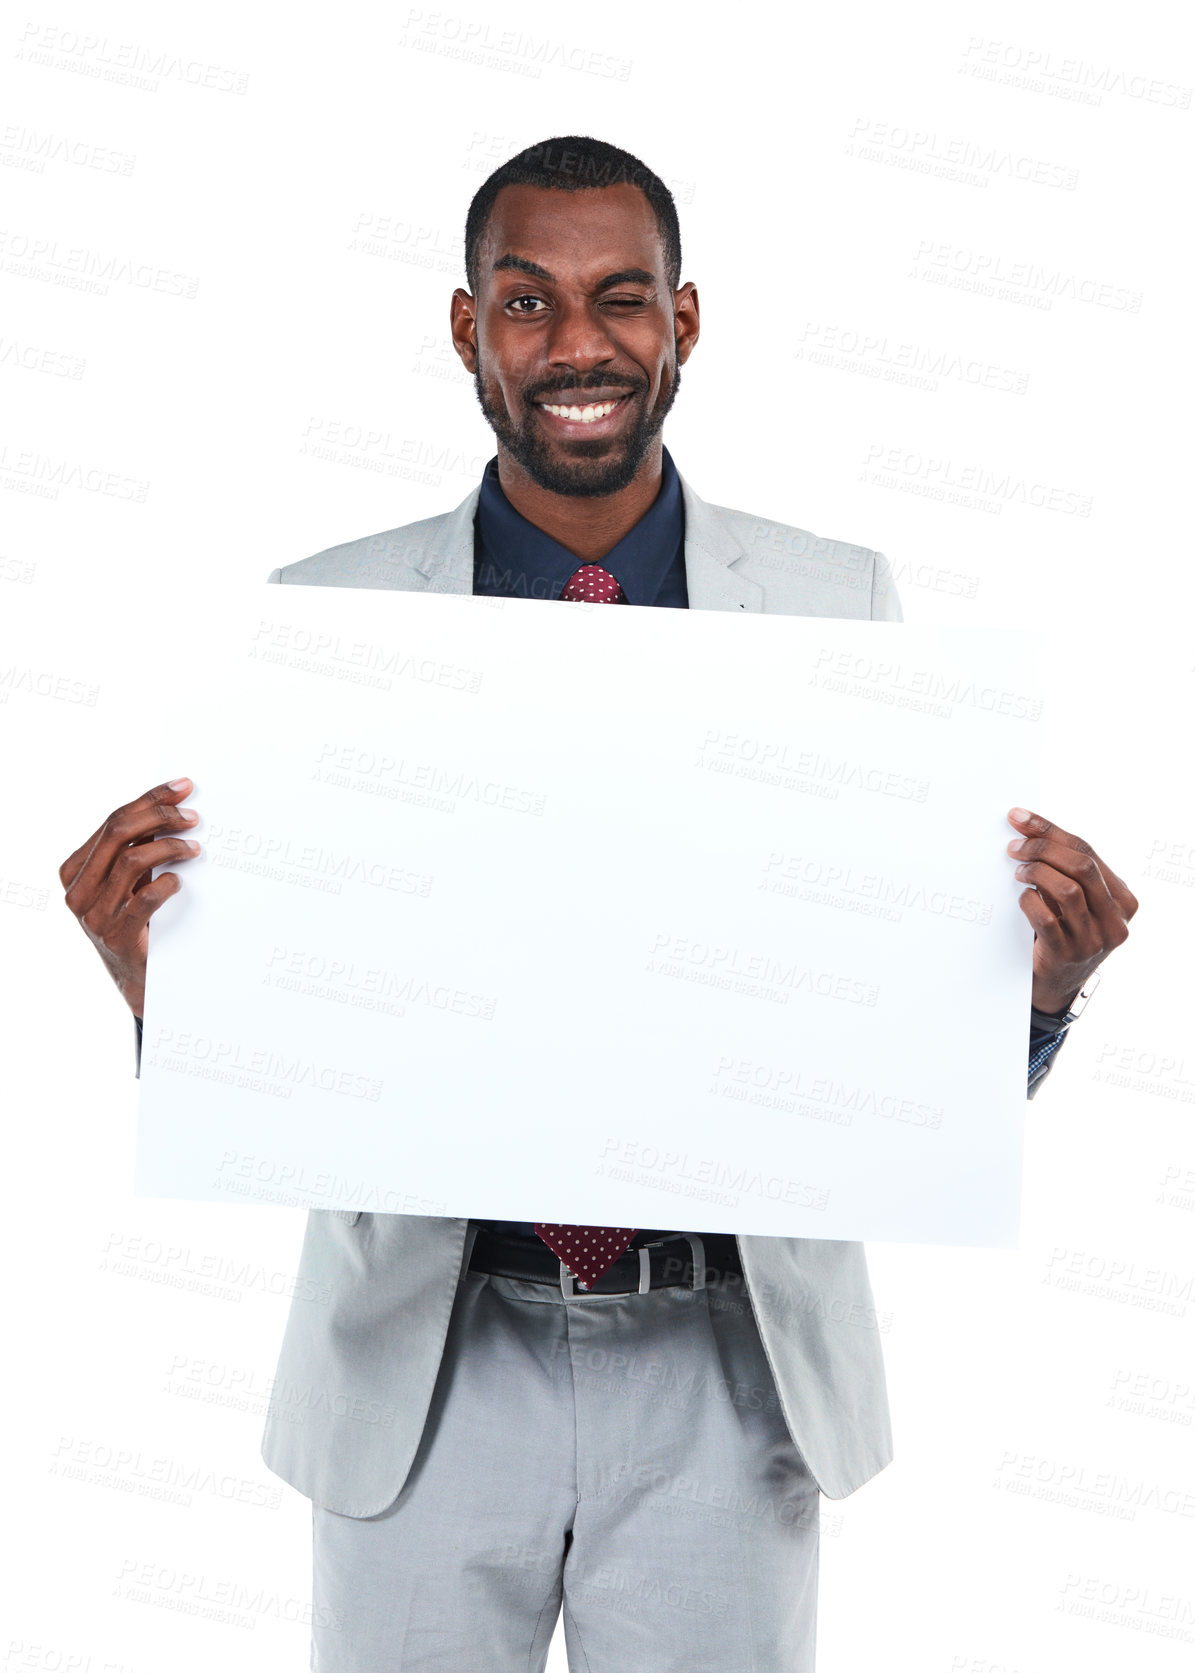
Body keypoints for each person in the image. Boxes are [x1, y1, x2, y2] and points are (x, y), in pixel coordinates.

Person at [58, 137, 1138, 1672]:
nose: (578, 345)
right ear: (464, 329)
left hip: (728, 1361)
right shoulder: (320, 623)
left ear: (684, 323)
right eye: (527, 303)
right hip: (424, 1369)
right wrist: (157, 985)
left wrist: (1032, 995)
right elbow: (289, 1062)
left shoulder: (842, 609)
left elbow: (883, 1056)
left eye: (620, 299)